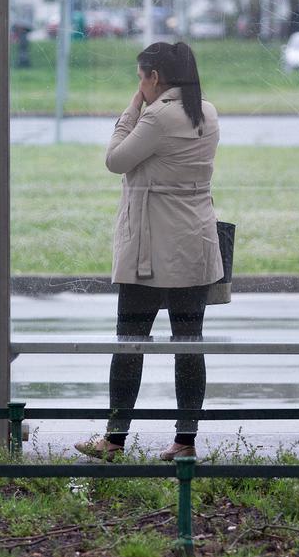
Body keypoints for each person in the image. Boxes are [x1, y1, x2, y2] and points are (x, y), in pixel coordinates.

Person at [75, 42, 222, 462]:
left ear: (155, 77)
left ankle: (115, 438)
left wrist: (131, 109)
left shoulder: (157, 115)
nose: (139, 85)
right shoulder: (206, 112)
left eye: (140, 78)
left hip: (152, 250)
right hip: (195, 244)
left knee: (130, 341)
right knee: (189, 345)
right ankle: (185, 441)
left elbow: (116, 159)